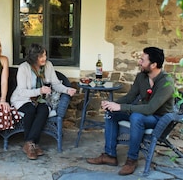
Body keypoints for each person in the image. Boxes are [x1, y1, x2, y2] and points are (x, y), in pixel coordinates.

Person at [86, 47, 174, 175]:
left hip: (159, 119)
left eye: (142, 60)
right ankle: (110, 155)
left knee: (136, 117)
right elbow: (129, 97)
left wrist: (121, 107)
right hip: (142, 113)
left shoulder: (166, 83)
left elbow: (150, 109)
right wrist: (113, 104)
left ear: (153, 65)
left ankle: (132, 160)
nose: (139, 62)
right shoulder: (141, 77)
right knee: (111, 113)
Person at [10, 43, 76, 160]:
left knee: (44, 110)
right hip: (23, 99)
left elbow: (55, 84)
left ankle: (29, 143)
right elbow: (22, 92)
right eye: (41, 56)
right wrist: (39, 90)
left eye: (45, 55)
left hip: (41, 99)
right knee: (30, 110)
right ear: (33, 57)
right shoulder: (24, 68)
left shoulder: (48, 65)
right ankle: (33, 144)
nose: (44, 58)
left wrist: (67, 89)